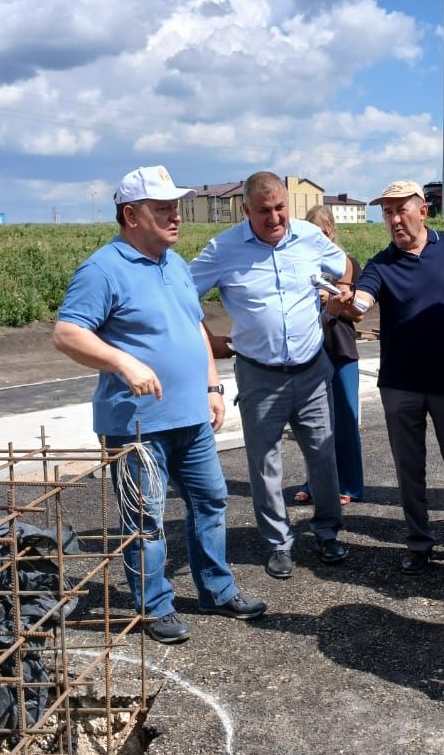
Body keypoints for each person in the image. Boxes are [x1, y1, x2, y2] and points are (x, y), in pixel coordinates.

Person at [53, 165, 266, 643]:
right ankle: (155, 606)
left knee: (210, 501)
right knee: (145, 519)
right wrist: (123, 364)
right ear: (131, 215)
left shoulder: (173, 262)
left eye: (175, 207)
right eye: (163, 209)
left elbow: (194, 328)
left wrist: (212, 387)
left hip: (190, 417)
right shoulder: (102, 269)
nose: (176, 217)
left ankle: (216, 588)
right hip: (136, 425)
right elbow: (67, 333)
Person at [188, 172, 349, 580]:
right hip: (259, 375)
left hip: (313, 370)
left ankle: (328, 532)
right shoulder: (223, 249)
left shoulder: (310, 237)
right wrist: (209, 340)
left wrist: (338, 298)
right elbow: (180, 296)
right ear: (246, 211)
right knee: (265, 464)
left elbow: (344, 266)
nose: (275, 218)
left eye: (280, 208)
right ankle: (279, 543)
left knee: (324, 456)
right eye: (264, 211)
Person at [342, 180, 444, 575]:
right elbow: (363, 302)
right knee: (408, 468)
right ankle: (419, 542)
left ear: (423, 211)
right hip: (400, 385)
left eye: (400, 210)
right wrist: (346, 304)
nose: (394, 219)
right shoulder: (381, 263)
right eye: (387, 212)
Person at [293, 205, 364, 506]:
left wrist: (334, 299)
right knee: (313, 423)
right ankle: (315, 482)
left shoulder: (346, 264)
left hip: (340, 348)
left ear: (332, 231)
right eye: (312, 233)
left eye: (323, 232)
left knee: (346, 418)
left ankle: (349, 483)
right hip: (308, 351)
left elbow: (359, 316)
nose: (318, 238)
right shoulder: (298, 264)